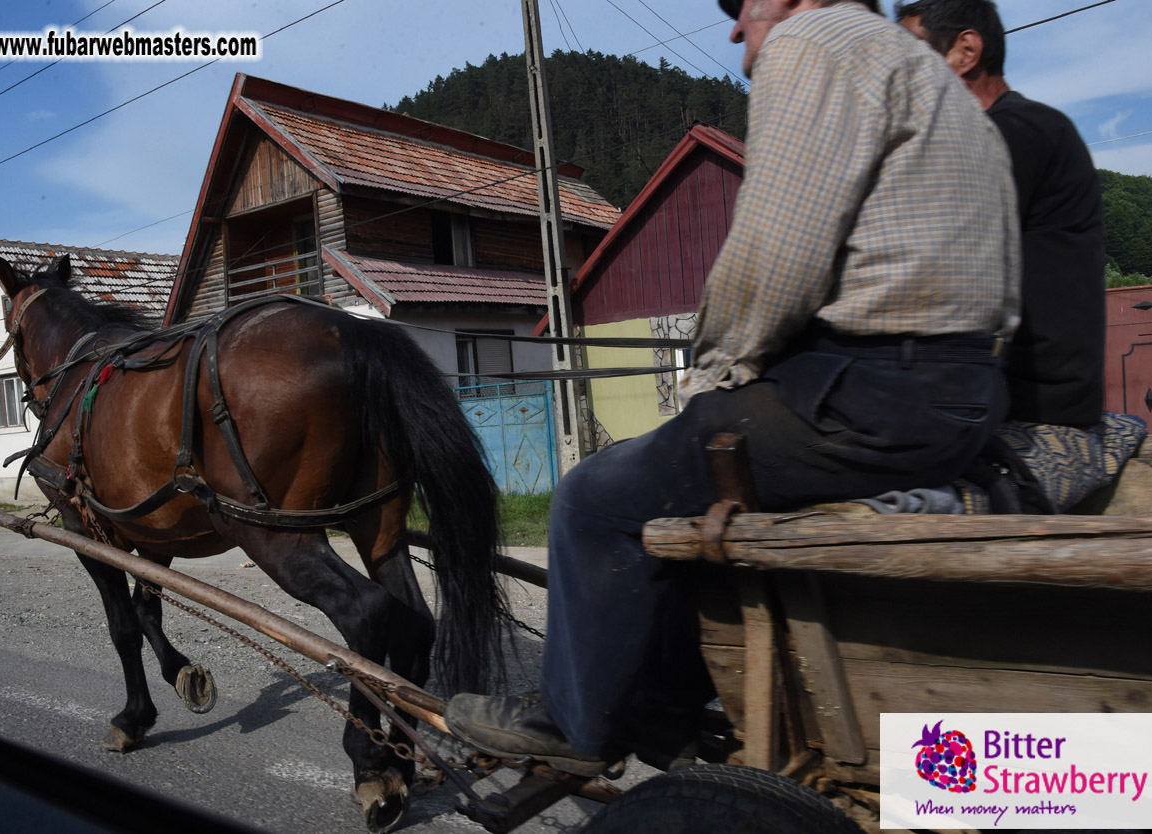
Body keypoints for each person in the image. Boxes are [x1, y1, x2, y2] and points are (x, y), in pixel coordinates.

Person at [446, 0, 1021, 777]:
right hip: (962, 392)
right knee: (679, 480)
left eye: (742, 4)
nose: (734, 26)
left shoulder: (813, 43)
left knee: (596, 497)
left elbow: (771, 259)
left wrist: (707, 386)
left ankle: (573, 722)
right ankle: (666, 700)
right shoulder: (935, 83)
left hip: (869, 392)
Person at [896, 0, 1106, 429]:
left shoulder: (1015, 132)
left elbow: (929, 262)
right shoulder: (1017, 130)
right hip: (1006, 388)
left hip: (1034, 402)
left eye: (912, 52)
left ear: (966, 52)